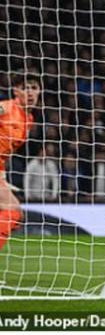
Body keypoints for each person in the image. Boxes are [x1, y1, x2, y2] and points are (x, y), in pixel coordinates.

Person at [0, 72, 40, 250]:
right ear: (16, 91)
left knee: (13, 216)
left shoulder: (29, 119)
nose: (30, 92)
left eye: (34, 88)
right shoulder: (6, 108)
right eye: (25, 88)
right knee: (13, 212)